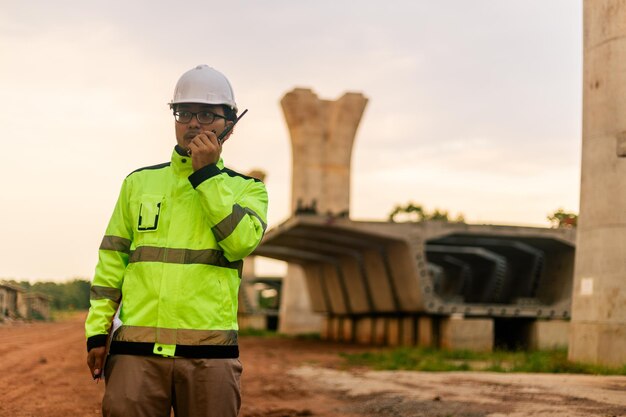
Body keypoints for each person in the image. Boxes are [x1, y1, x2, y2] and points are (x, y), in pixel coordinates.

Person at [85, 64, 268, 417]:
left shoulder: (248, 189)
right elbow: (111, 263)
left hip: (209, 358)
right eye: (184, 112)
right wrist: (97, 332)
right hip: (136, 355)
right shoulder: (138, 184)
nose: (194, 123)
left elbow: (242, 242)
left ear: (229, 124)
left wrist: (207, 176)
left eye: (206, 114)